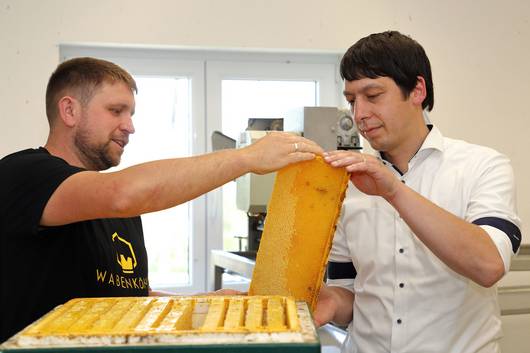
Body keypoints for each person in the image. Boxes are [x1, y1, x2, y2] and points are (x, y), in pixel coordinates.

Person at [0, 57, 323, 342]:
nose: (129, 126)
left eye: (130, 113)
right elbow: (122, 193)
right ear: (69, 110)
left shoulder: (121, 208)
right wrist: (247, 158)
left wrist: (205, 304)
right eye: (115, 111)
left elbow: (130, 298)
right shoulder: (24, 173)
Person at [315, 31, 522, 353]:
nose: (359, 115)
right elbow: (349, 293)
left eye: (372, 95)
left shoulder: (482, 165)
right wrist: (329, 303)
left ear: (417, 90)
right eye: (352, 100)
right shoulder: (347, 184)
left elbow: (488, 265)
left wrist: (394, 191)